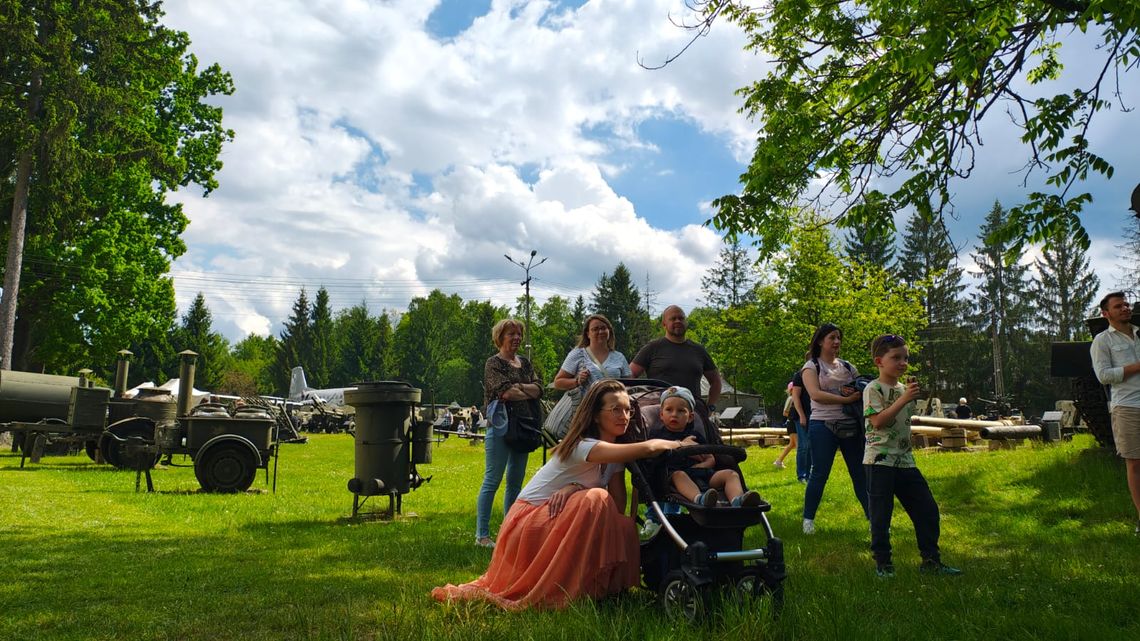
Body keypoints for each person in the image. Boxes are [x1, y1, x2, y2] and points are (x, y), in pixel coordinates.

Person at [432, 380, 686, 610]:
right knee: (596, 498)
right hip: (528, 520)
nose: (625, 416)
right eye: (616, 410)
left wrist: (576, 489)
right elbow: (648, 448)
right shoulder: (582, 446)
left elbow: (618, 504)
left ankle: (601, 589)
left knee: (622, 520)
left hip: (558, 517)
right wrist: (679, 444)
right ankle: (563, 592)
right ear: (596, 416)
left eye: (628, 410)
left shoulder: (615, 454)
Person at [863, 334, 962, 577]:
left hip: (905, 460)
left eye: (905, 358)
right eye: (895, 358)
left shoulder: (903, 388)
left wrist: (906, 394)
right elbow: (877, 422)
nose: (903, 362)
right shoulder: (873, 388)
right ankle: (884, 564)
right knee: (881, 515)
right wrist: (905, 398)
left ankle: (931, 560)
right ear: (879, 361)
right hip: (880, 461)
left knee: (927, 509)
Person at [475, 318, 543, 548]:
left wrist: (520, 388)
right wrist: (526, 389)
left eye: (518, 334)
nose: (516, 338)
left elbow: (539, 388)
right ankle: (482, 536)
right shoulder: (493, 363)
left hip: (524, 427)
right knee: (492, 480)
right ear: (500, 338)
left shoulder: (524, 363)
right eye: (511, 334)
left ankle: (509, 531)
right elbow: (504, 393)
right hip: (501, 427)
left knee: (515, 482)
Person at [801, 323, 869, 534]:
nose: (837, 342)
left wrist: (856, 393)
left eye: (839, 338)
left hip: (851, 425)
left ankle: (873, 519)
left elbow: (861, 390)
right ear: (821, 341)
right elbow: (815, 395)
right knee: (819, 473)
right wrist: (846, 398)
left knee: (860, 473)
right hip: (822, 425)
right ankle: (808, 521)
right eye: (832, 337)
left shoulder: (849, 367)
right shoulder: (811, 367)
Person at [649, 386, 763, 507]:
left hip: (704, 475)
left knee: (730, 474)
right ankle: (700, 499)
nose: (674, 414)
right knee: (679, 475)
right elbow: (654, 455)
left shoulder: (695, 436)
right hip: (677, 478)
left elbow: (710, 458)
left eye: (681, 411)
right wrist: (680, 445)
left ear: (690, 417)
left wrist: (700, 466)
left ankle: (738, 500)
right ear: (661, 415)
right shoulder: (658, 436)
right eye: (669, 410)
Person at [1090, 292, 1140, 535]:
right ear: (1106, 313)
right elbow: (1104, 376)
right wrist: (1137, 367)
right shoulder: (1102, 341)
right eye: (1118, 306)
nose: (1125, 308)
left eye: (1127, 304)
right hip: (1128, 406)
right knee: (1135, 463)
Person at [631, 305, 721, 411]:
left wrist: (710, 407)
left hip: (692, 413)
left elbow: (716, 381)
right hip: (659, 412)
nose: (678, 321)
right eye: (673, 319)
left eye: (681, 318)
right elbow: (630, 375)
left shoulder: (699, 350)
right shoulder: (652, 348)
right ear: (664, 324)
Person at [552, 314, 632, 392]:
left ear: (609, 331)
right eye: (595, 329)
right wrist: (577, 381)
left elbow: (630, 385)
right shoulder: (578, 354)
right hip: (588, 404)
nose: (600, 332)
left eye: (603, 328)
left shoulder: (619, 357)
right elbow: (558, 383)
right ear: (588, 334)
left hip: (614, 405)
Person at [790, 361, 813, 483]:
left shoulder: (818, 374)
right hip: (801, 414)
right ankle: (801, 475)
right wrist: (802, 415)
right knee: (803, 446)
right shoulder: (799, 375)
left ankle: (809, 474)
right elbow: (796, 397)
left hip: (814, 414)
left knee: (811, 446)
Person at [773, 383, 798, 470]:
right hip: (792, 423)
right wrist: (794, 416)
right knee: (799, 445)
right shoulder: (791, 399)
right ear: (791, 390)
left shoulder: (796, 399)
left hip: (794, 423)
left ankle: (778, 461)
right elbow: (785, 412)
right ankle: (802, 465)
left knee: (792, 444)